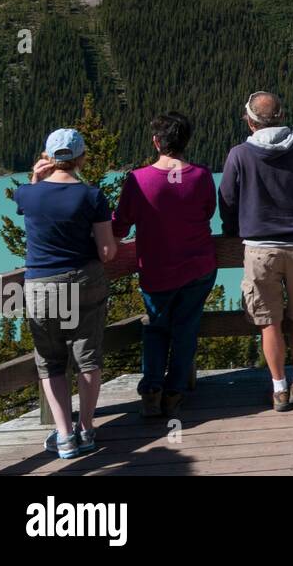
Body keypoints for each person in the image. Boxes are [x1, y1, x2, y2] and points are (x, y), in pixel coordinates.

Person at [219, 92, 293, 411]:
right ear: (281, 117)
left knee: (269, 321)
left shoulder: (239, 155)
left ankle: (279, 389)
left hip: (259, 250)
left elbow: (228, 201)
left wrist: (231, 233)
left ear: (249, 120)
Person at [14, 128, 119, 460]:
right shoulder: (92, 196)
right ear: (81, 158)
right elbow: (106, 251)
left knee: (51, 362)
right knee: (87, 358)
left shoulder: (27, 195)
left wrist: (35, 176)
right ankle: (86, 429)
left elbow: (29, 197)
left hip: (43, 286)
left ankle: (63, 437)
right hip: (85, 280)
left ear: (48, 157)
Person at [111, 112, 217, 419]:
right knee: (186, 329)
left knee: (156, 329)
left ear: (156, 142)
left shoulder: (138, 180)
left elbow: (120, 226)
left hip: (157, 271)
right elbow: (208, 212)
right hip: (198, 268)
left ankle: (152, 392)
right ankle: (174, 392)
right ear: (185, 141)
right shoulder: (201, 176)